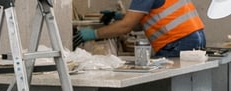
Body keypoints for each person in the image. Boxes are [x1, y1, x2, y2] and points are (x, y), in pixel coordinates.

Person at [75, 0, 206, 58]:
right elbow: (139, 23)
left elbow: (126, 26)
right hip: (195, 37)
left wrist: (93, 34)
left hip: (178, 42)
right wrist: (119, 16)